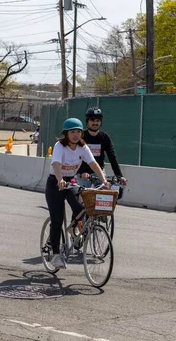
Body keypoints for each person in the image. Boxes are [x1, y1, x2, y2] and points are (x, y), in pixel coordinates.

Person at [46, 118, 109, 269]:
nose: (75, 135)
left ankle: (73, 229)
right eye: (72, 132)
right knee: (57, 219)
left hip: (71, 181)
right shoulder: (59, 146)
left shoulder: (82, 147)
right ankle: (55, 255)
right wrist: (60, 180)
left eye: (78, 132)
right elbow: (55, 164)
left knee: (81, 208)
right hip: (56, 182)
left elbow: (93, 163)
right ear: (66, 133)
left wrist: (104, 181)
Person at [77, 107, 127, 186]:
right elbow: (76, 156)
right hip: (83, 173)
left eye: (98, 120)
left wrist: (119, 176)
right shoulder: (81, 136)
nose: (95, 123)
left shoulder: (104, 137)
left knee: (102, 194)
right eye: (92, 120)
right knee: (83, 195)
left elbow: (112, 157)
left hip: (99, 172)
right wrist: (82, 172)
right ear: (87, 121)